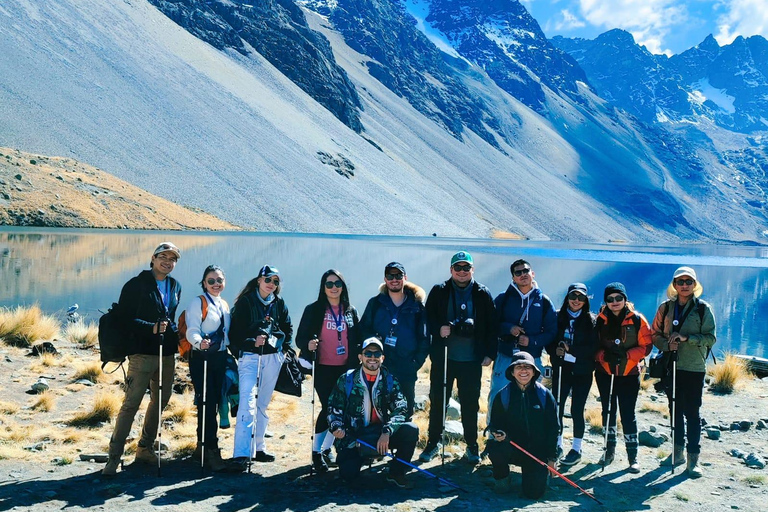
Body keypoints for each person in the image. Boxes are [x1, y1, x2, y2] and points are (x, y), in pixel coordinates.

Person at [103, 242, 182, 475]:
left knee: (161, 401)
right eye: (163, 257)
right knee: (131, 404)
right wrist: (152, 327)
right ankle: (114, 458)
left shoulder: (175, 286)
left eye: (173, 259)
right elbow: (123, 320)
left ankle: (144, 449)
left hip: (166, 354)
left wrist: (179, 337)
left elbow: (171, 318)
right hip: (141, 354)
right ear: (153, 258)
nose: (168, 262)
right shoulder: (136, 285)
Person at [420, 251, 495, 464]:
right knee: (438, 402)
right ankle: (433, 443)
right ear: (451, 270)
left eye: (466, 268)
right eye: (458, 268)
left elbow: (492, 324)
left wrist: (490, 353)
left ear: (472, 270)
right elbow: (427, 318)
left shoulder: (482, 293)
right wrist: (439, 328)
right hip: (444, 358)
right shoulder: (439, 291)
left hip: (472, 359)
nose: (462, 272)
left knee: (470, 404)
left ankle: (471, 445)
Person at [327, 338, 419, 488]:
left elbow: (401, 408)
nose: (372, 357)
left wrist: (387, 431)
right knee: (348, 476)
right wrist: (336, 426)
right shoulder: (346, 380)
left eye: (377, 354)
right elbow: (333, 407)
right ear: (360, 357)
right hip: (353, 436)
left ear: (382, 358)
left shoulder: (390, 380)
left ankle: (396, 472)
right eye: (368, 353)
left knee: (411, 430)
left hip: (381, 433)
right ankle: (362, 457)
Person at [652, 267, 716, 478]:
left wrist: (688, 339)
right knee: (675, 411)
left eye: (689, 281)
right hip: (672, 366)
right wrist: (666, 345)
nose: (685, 285)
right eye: (680, 282)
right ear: (674, 284)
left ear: (694, 284)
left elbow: (711, 338)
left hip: (694, 367)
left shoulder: (703, 309)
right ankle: (676, 454)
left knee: (693, 413)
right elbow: (655, 335)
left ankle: (693, 460)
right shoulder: (665, 308)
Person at [296, 269, 362, 473]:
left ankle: (326, 449)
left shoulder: (350, 311)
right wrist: (308, 344)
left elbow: (357, 338)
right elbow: (299, 338)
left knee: (340, 410)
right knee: (329, 408)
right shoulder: (314, 310)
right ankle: (316, 452)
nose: (334, 288)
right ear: (323, 288)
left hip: (346, 369)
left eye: (337, 284)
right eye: (329, 284)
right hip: (323, 368)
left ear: (343, 286)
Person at [229, 265, 293, 466]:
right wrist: (251, 342)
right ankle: (241, 452)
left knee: (262, 403)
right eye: (268, 280)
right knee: (247, 401)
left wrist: (282, 348)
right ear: (259, 280)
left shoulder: (279, 303)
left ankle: (259, 447)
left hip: (272, 358)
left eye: (275, 281)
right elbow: (234, 335)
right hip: (249, 357)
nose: (271, 285)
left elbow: (288, 328)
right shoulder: (246, 302)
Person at [594, 282, 652, 473]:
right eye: (610, 299)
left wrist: (627, 355)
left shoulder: (637, 320)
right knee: (607, 411)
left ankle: (632, 457)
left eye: (619, 298)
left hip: (628, 373)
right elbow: (592, 346)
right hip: (605, 373)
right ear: (606, 301)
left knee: (628, 414)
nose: (615, 302)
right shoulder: (600, 320)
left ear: (625, 299)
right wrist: (603, 356)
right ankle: (608, 451)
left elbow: (646, 346)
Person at [489, 259, 556, 423]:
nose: (523, 275)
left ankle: (529, 439)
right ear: (513, 278)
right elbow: (491, 325)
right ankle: (494, 436)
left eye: (526, 271)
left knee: (533, 397)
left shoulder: (544, 302)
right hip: (505, 356)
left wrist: (532, 341)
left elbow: (551, 332)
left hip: (532, 359)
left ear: (532, 274)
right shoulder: (503, 299)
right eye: (518, 273)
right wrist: (508, 328)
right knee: (498, 393)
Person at [359, 262, 428, 419]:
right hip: (378, 367)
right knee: (376, 411)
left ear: (405, 278)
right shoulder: (375, 303)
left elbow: (424, 338)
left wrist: (416, 363)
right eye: (390, 276)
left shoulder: (417, 306)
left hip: (406, 369)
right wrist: (370, 355)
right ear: (385, 279)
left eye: (398, 276)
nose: (394, 279)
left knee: (405, 412)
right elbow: (363, 329)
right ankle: (379, 443)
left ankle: (404, 442)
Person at [486, 351, 558, 498]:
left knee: (534, 494)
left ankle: (540, 475)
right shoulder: (503, 395)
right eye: (518, 367)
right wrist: (497, 433)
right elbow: (495, 423)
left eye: (527, 367)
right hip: (511, 446)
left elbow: (553, 428)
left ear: (534, 371)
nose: (523, 370)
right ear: (512, 372)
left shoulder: (545, 396)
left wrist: (552, 458)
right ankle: (502, 478)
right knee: (495, 449)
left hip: (536, 452)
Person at [546, 283, 597, 466]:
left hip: (583, 371)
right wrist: (555, 351)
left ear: (586, 301)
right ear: (567, 297)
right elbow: (549, 339)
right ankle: (557, 444)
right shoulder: (557, 317)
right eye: (573, 296)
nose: (576, 301)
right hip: (561, 369)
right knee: (557, 406)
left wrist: (571, 350)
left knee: (577, 409)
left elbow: (593, 348)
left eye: (581, 297)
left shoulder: (592, 321)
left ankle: (576, 448)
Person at [186, 265, 231, 472]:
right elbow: (192, 330)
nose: (216, 284)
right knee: (207, 402)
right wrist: (199, 343)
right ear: (204, 283)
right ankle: (210, 450)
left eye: (219, 280)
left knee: (214, 402)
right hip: (202, 358)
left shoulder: (224, 304)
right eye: (211, 281)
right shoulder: (198, 302)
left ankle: (201, 448)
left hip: (220, 358)